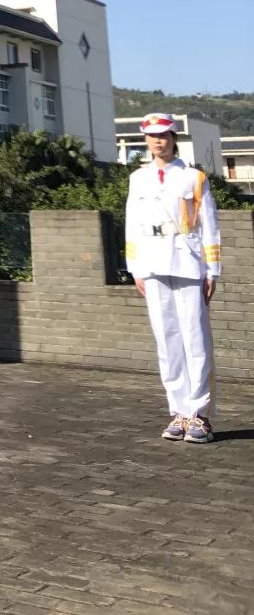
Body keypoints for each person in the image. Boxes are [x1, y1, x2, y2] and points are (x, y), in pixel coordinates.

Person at [125, 112, 221, 444]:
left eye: (164, 134)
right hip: (153, 263)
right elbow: (132, 223)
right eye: (152, 135)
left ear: (173, 138)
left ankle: (200, 414)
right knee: (167, 341)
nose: (158, 140)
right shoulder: (138, 178)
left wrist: (212, 269)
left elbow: (209, 225)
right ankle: (179, 411)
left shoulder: (193, 177)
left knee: (196, 339)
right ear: (145, 140)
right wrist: (135, 267)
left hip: (188, 261)